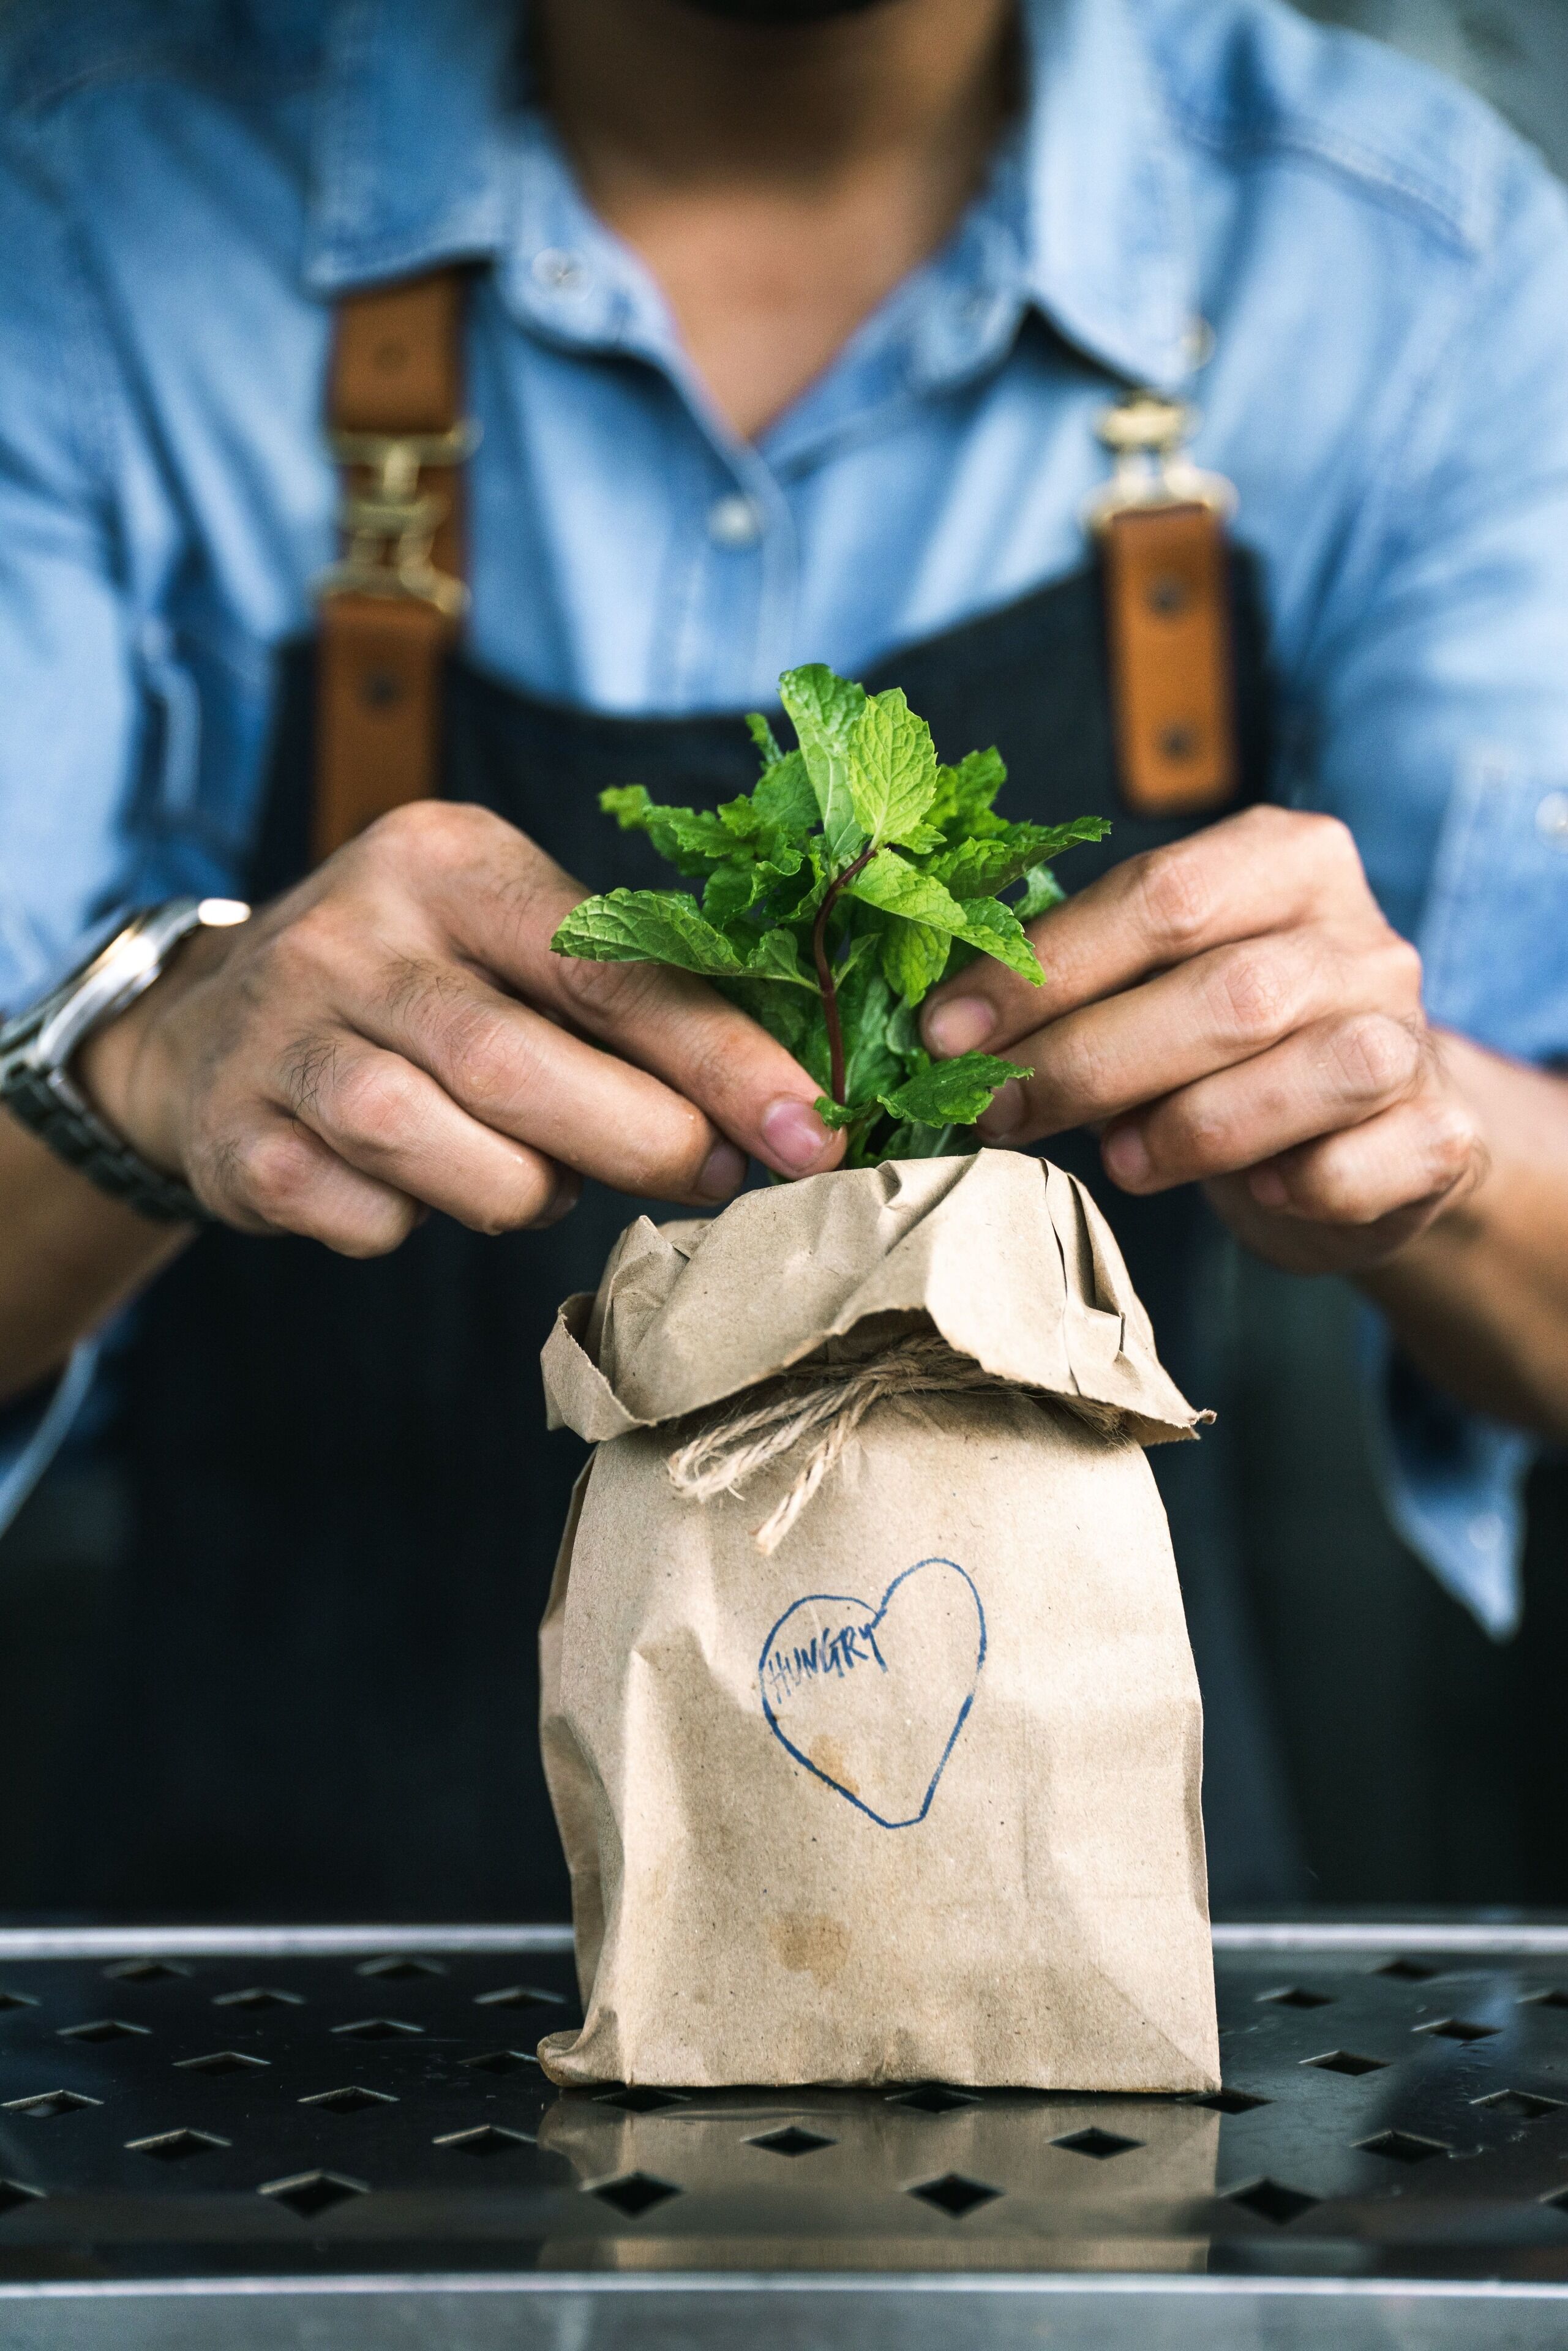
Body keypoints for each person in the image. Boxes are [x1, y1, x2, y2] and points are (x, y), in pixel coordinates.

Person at [1, 0, 1566, 1917]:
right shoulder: (87, 211)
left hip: (1057, 1896)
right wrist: (133, 1079)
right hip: (286, 1932)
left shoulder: (1401, 259)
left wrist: (1430, 1134)